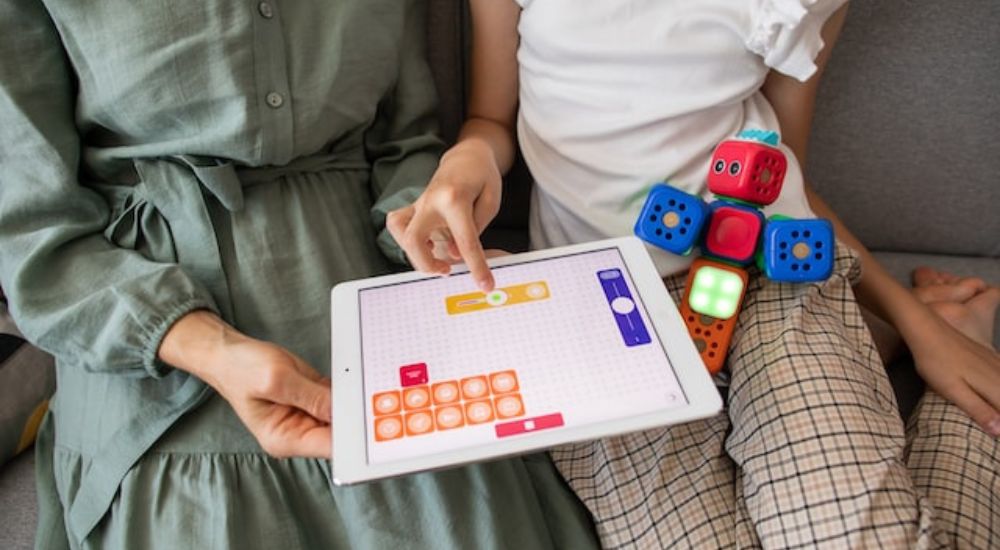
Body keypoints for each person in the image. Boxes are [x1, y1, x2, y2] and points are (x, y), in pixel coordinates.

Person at [389, 1, 1000, 547]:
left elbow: (789, 176)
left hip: (769, 279)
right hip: (603, 310)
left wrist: (923, 330)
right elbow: (490, 121)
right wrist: (465, 161)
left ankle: (926, 334)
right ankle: (938, 344)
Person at [0, 2, 601, 548]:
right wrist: (210, 348)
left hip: (374, 312)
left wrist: (432, 240)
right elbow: (33, 237)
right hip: (155, 354)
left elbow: (404, 142)